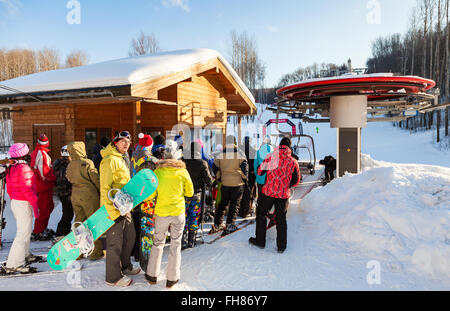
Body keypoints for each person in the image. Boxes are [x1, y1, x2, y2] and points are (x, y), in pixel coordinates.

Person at [146, 140, 194, 288]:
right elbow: (190, 192)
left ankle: (152, 275)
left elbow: (151, 193)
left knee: (158, 243)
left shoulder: (158, 172)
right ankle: (172, 278)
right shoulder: (183, 171)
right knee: (175, 244)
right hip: (178, 212)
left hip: (161, 212)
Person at [100, 131, 140, 287]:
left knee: (130, 237)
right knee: (114, 243)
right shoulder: (109, 160)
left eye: (128, 142)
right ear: (115, 142)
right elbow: (104, 188)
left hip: (125, 207)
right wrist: (111, 212)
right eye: (123, 141)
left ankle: (126, 266)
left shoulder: (121, 158)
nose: (126, 144)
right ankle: (113, 277)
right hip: (114, 210)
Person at [249, 137, 300, 253]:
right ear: (289, 148)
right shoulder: (293, 162)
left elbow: (259, 171)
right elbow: (296, 181)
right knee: (281, 219)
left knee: (261, 214)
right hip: (283, 195)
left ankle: (260, 241)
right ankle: (281, 247)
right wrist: (287, 184)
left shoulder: (271, 158)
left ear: (279, 145)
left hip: (269, 192)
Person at [1, 143, 40, 274]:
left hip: (17, 202)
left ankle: (24, 254)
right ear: (24, 155)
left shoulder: (12, 167)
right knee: (22, 233)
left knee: (25, 231)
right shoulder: (24, 169)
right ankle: (14, 263)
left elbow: (12, 189)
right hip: (23, 203)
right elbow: (28, 190)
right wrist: (35, 206)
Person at [65, 142, 104, 260]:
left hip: (75, 194)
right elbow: (95, 178)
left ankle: (78, 252)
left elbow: (68, 178)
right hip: (88, 194)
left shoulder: (70, 165)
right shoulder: (87, 163)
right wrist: (102, 190)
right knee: (93, 223)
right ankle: (95, 252)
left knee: (79, 223)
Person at [210, 135, 248, 235]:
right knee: (234, 204)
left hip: (225, 182)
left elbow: (214, 166)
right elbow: (245, 168)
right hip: (237, 182)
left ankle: (217, 223)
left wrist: (219, 177)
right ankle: (230, 224)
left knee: (223, 203)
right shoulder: (240, 152)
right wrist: (245, 178)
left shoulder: (221, 153)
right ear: (235, 142)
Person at [182, 141, 214, 249]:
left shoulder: (182, 161)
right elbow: (209, 181)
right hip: (197, 193)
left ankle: (183, 239)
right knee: (194, 216)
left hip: (184, 194)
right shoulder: (202, 163)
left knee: (184, 216)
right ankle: (192, 239)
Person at [129, 133, 155, 264]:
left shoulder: (134, 154)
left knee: (135, 223)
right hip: (145, 195)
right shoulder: (148, 159)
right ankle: (142, 255)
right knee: (144, 226)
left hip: (133, 191)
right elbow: (150, 179)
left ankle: (134, 252)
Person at [30, 134, 56, 241]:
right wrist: (54, 177)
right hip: (43, 187)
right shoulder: (42, 153)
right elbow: (44, 173)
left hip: (39, 186)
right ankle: (38, 231)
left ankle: (41, 229)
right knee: (45, 209)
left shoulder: (35, 152)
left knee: (47, 207)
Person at [52, 145, 73, 243]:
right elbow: (64, 181)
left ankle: (65, 232)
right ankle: (60, 234)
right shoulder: (66, 165)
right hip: (66, 193)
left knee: (68, 213)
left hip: (62, 193)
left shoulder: (59, 163)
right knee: (67, 215)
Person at [239, 136, 257, 218]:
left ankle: (239, 210)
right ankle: (246, 211)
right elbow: (255, 164)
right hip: (250, 174)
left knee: (240, 192)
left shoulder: (239, 150)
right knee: (248, 193)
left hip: (239, 174)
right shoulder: (253, 151)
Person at [254, 137, 274, 207]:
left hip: (260, 177)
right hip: (270, 177)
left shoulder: (258, 151)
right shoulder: (274, 151)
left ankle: (259, 211)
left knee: (260, 194)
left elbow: (255, 164)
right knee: (268, 196)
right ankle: (267, 211)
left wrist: (256, 175)